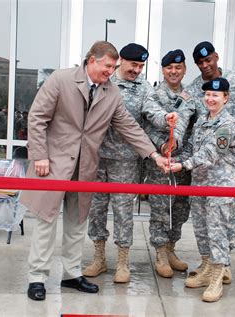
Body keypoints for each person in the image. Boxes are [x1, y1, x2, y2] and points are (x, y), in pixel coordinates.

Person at [20, 41, 176, 301]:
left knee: (77, 223)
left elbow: (129, 127)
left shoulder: (111, 93)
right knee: (46, 222)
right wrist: (39, 155)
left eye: (114, 67)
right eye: (107, 66)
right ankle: (37, 277)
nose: (111, 72)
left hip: (85, 168)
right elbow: (37, 117)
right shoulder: (61, 79)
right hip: (52, 165)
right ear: (92, 60)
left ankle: (71, 274)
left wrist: (154, 155)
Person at [84, 43, 179, 284]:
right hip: (96, 157)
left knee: (123, 211)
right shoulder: (103, 80)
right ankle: (99, 258)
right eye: (133, 65)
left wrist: (164, 118)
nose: (137, 70)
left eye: (141, 66)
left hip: (125, 161)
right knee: (96, 210)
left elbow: (152, 111)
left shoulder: (144, 88)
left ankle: (123, 262)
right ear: (120, 62)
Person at [183, 41, 235, 278]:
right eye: (200, 63)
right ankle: (209, 263)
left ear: (216, 57)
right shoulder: (196, 88)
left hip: (232, 160)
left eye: (209, 60)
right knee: (205, 213)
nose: (205, 66)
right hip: (205, 163)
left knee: (228, 209)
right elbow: (186, 118)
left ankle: (224, 263)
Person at [171, 77, 235, 302]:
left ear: (225, 98)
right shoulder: (202, 121)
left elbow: (210, 153)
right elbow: (193, 150)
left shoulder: (228, 124)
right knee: (202, 230)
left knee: (218, 232)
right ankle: (206, 268)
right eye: (207, 95)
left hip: (221, 187)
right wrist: (173, 158)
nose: (210, 99)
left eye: (215, 95)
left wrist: (183, 165)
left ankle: (217, 277)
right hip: (200, 184)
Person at [144, 49, 193, 277]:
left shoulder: (192, 95)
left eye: (178, 67)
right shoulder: (154, 95)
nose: (174, 72)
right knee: (161, 208)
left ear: (184, 70)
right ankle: (161, 253)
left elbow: (195, 128)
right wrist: (163, 145)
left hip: (184, 163)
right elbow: (147, 127)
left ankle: (172, 249)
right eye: (169, 68)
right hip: (162, 162)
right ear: (163, 70)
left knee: (181, 208)